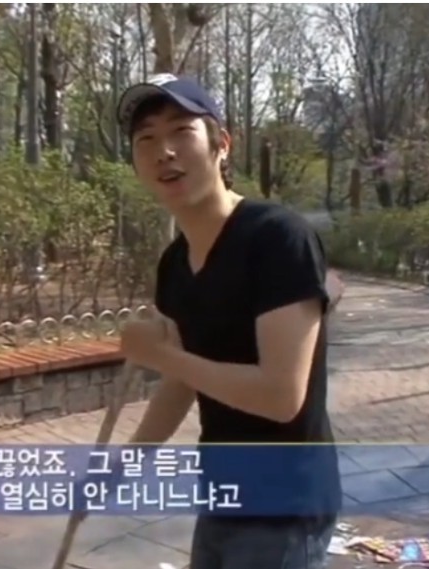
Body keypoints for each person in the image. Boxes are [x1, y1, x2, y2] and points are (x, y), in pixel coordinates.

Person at [115, 73, 345, 569]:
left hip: (285, 503)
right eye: (146, 139)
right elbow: (182, 380)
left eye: (181, 131)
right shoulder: (175, 264)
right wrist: (126, 464)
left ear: (222, 143)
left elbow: (281, 397)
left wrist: (159, 354)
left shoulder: (277, 238)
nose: (164, 152)